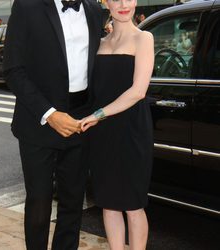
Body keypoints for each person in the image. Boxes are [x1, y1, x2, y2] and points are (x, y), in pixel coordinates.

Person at [3, 0, 102, 249]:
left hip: (81, 120)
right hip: (39, 121)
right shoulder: (26, 6)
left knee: (73, 202)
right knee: (39, 202)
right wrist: (50, 114)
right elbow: (13, 69)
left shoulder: (93, 9)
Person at [81, 0, 154, 249]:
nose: (123, 4)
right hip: (102, 134)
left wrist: (97, 115)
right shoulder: (99, 44)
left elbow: (138, 91)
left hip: (132, 132)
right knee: (109, 202)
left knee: (133, 206)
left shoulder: (144, 38)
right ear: (106, 3)